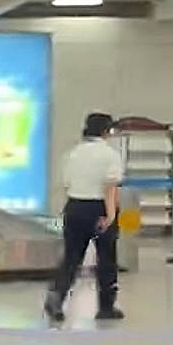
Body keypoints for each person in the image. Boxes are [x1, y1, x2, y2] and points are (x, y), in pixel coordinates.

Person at [46, 112, 127, 323]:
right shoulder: (110, 155)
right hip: (99, 208)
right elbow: (110, 187)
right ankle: (106, 307)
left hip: (74, 207)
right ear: (106, 131)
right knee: (106, 259)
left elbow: (66, 183)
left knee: (71, 258)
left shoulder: (72, 153)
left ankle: (56, 297)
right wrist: (110, 215)